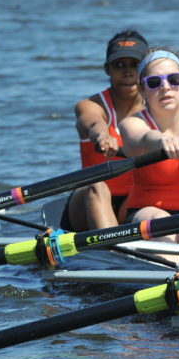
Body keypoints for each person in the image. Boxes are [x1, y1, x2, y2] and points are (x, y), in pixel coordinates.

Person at [118, 47, 179, 240]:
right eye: (154, 83)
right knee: (164, 223)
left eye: (173, 80)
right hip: (148, 212)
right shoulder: (132, 123)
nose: (165, 87)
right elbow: (142, 138)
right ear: (142, 90)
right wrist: (163, 141)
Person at [64, 30, 147, 231]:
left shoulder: (157, 108)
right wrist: (102, 136)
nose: (127, 73)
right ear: (107, 69)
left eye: (134, 65)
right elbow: (92, 123)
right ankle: (112, 252)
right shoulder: (91, 105)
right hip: (88, 200)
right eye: (119, 65)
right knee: (99, 187)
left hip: (134, 201)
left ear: (146, 69)